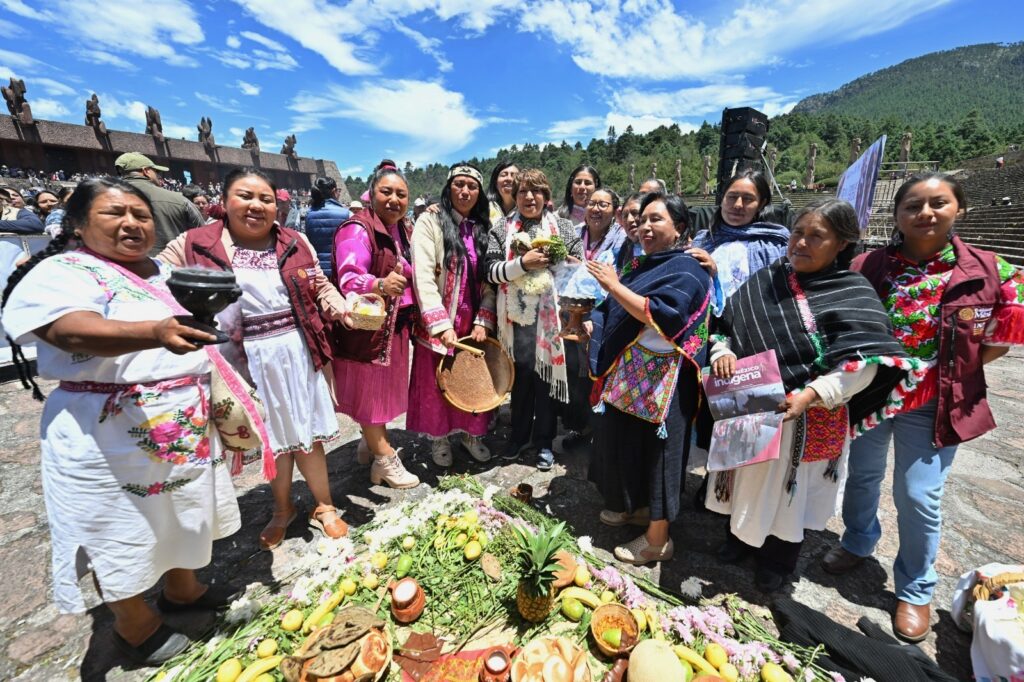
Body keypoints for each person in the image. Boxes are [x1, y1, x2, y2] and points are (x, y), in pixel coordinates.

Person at [0, 177, 241, 664]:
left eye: (141, 214)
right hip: (106, 434)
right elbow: (66, 330)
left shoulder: (160, 272)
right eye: (115, 213)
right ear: (78, 222)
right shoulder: (65, 271)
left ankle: (184, 589)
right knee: (117, 524)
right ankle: (135, 623)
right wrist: (154, 332)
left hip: (178, 427)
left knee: (182, 512)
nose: (132, 223)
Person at [822, 173, 1024, 642]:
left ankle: (915, 587)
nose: (925, 214)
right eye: (913, 205)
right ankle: (856, 541)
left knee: (918, 494)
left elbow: (994, 343)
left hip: (935, 400)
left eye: (938, 203)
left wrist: (949, 369)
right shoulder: (869, 265)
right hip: (873, 392)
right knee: (863, 475)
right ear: (897, 215)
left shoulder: (990, 270)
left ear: (960, 209)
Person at [706, 199, 919, 592]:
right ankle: (738, 538)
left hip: (807, 413)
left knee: (790, 490)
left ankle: (777, 560)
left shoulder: (853, 291)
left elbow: (866, 363)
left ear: (841, 243)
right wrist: (724, 353)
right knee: (745, 477)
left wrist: (812, 393)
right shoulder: (765, 281)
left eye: (816, 236)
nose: (801, 243)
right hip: (752, 404)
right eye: (798, 233)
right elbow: (726, 327)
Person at [159, 168, 349, 550]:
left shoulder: (295, 242)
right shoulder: (194, 243)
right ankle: (282, 510)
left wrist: (341, 307)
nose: (256, 206)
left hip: (296, 349)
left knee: (306, 432)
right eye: (245, 196)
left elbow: (320, 285)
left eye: (265, 199)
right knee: (272, 436)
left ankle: (324, 505)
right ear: (225, 202)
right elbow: (154, 278)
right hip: (242, 358)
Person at [585, 191, 713, 564]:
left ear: (681, 229)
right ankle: (636, 507)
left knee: (661, 456)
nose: (644, 226)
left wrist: (612, 285)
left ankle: (659, 539)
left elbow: (664, 315)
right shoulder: (640, 265)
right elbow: (612, 307)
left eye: (657, 219)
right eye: (642, 220)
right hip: (631, 368)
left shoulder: (688, 269)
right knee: (626, 441)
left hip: (668, 377)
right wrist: (595, 323)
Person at [486, 169, 582, 470]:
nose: (530, 197)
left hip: (552, 319)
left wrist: (557, 259)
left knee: (545, 382)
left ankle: (543, 441)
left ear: (546, 196)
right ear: (514, 196)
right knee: (521, 381)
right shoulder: (502, 228)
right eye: (523, 192)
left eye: (537, 191)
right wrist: (521, 265)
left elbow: (580, 269)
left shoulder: (563, 228)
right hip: (515, 319)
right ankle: (518, 436)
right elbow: (488, 270)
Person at [333, 164, 421, 489]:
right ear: (371, 195)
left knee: (382, 395)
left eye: (401, 194)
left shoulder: (401, 230)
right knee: (371, 394)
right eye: (387, 192)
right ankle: (384, 459)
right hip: (369, 328)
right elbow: (348, 276)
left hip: (393, 328)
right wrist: (380, 284)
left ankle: (369, 443)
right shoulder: (357, 229)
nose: (394, 199)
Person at [409, 164, 496, 466]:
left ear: (479, 192)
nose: (465, 191)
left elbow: (489, 281)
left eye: (471, 186)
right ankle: (439, 438)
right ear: (449, 189)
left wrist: (485, 318)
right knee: (437, 382)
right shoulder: (429, 222)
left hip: (473, 322)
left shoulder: (483, 227)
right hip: (440, 320)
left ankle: (471, 434)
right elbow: (422, 274)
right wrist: (439, 323)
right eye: (459, 184)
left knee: (473, 379)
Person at [562, 187, 627, 451]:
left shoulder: (622, 240)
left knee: (597, 372)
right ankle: (580, 427)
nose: (596, 209)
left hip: (603, 314)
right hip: (569, 312)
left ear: (615, 211)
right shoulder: (574, 234)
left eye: (604, 204)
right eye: (592, 203)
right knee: (574, 374)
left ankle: (599, 430)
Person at [115, 152, 204, 255]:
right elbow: (204, 235)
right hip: (176, 266)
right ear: (146, 171)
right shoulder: (179, 199)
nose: (158, 176)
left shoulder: (102, 201)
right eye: (156, 171)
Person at [306, 176, 351, 278]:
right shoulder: (347, 214)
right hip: (339, 270)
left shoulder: (308, 214)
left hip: (316, 271)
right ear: (334, 191)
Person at [614, 192, 644, 273]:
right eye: (625, 215)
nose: (629, 220)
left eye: (635, 213)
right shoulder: (620, 252)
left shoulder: (662, 252)